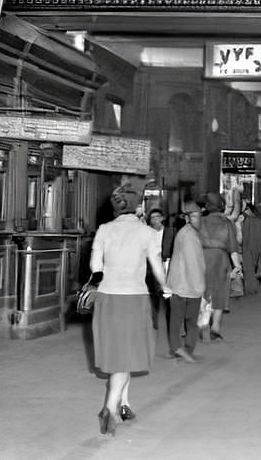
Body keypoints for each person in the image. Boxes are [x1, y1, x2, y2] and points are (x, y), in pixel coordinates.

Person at [90, 182, 166, 435]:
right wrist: (166, 287)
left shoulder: (103, 229)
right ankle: (110, 407)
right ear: (138, 207)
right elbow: (156, 266)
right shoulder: (147, 233)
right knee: (127, 357)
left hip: (107, 297)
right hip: (133, 297)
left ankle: (124, 404)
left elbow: (95, 267)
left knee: (118, 355)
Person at [198, 193, 242, 341]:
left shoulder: (199, 222)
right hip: (221, 260)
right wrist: (237, 266)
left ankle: (203, 323)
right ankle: (215, 327)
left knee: (203, 292)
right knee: (220, 293)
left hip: (201, 258)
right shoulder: (227, 223)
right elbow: (233, 248)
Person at [165, 201, 206, 363]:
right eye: (195, 216)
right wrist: (200, 288)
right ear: (188, 218)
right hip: (187, 286)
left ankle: (179, 347)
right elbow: (193, 263)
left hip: (180, 285)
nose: (198, 219)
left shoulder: (186, 233)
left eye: (199, 216)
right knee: (190, 320)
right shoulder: (189, 236)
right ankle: (183, 348)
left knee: (178, 320)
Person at [237, 201, 261, 295]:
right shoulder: (257, 220)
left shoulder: (246, 220)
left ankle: (249, 288)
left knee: (248, 267)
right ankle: (251, 288)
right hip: (255, 247)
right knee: (252, 267)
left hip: (247, 247)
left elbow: (241, 238)